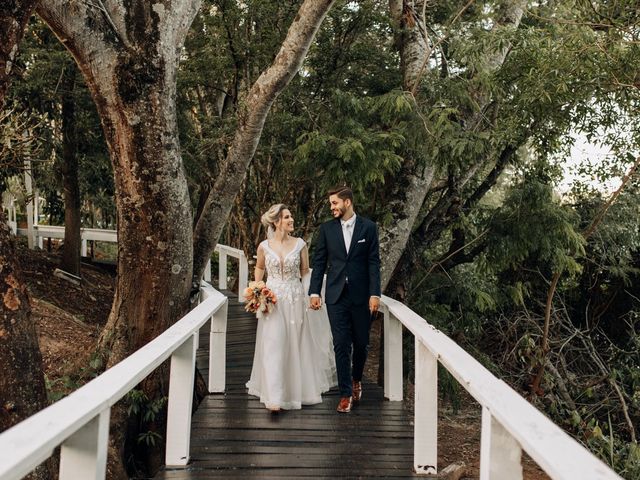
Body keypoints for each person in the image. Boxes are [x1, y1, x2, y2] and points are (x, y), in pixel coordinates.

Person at [246, 204, 336, 412]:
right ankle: (274, 397)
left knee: (295, 343)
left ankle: (297, 392)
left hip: (295, 299)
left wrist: (311, 295)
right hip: (272, 300)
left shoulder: (300, 245)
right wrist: (257, 288)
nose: (291, 220)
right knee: (273, 343)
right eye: (287, 217)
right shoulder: (264, 246)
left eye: (291, 216)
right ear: (276, 222)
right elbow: (259, 267)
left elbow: (305, 272)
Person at [309, 186, 381, 413]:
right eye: (331, 204)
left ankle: (357, 378)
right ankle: (345, 393)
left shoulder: (368, 228)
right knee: (341, 343)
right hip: (335, 295)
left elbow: (373, 262)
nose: (332, 207)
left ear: (347, 202)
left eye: (334, 203)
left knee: (361, 344)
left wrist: (375, 293)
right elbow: (319, 262)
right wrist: (314, 292)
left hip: (361, 296)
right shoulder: (327, 230)